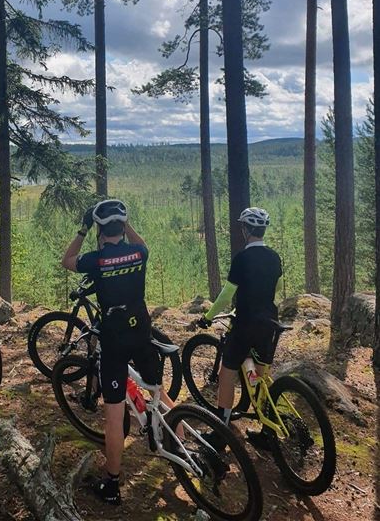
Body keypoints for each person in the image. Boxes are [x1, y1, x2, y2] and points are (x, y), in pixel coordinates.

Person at [62, 199, 176, 506]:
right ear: (122, 227)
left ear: (101, 229)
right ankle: (180, 436)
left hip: (114, 337)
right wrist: (127, 225)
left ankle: (112, 485)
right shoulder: (138, 252)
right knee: (156, 387)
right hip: (142, 329)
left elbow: (67, 260)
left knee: (113, 414)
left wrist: (83, 228)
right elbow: (143, 244)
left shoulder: (96, 260)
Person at [197, 207, 282, 447]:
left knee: (226, 376)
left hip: (245, 325)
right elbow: (276, 288)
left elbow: (226, 295)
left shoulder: (242, 258)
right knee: (259, 377)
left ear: (245, 230)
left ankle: (221, 433)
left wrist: (208, 316)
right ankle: (267, 431)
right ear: (263, 230)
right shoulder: (275, 257)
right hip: (269, 324)